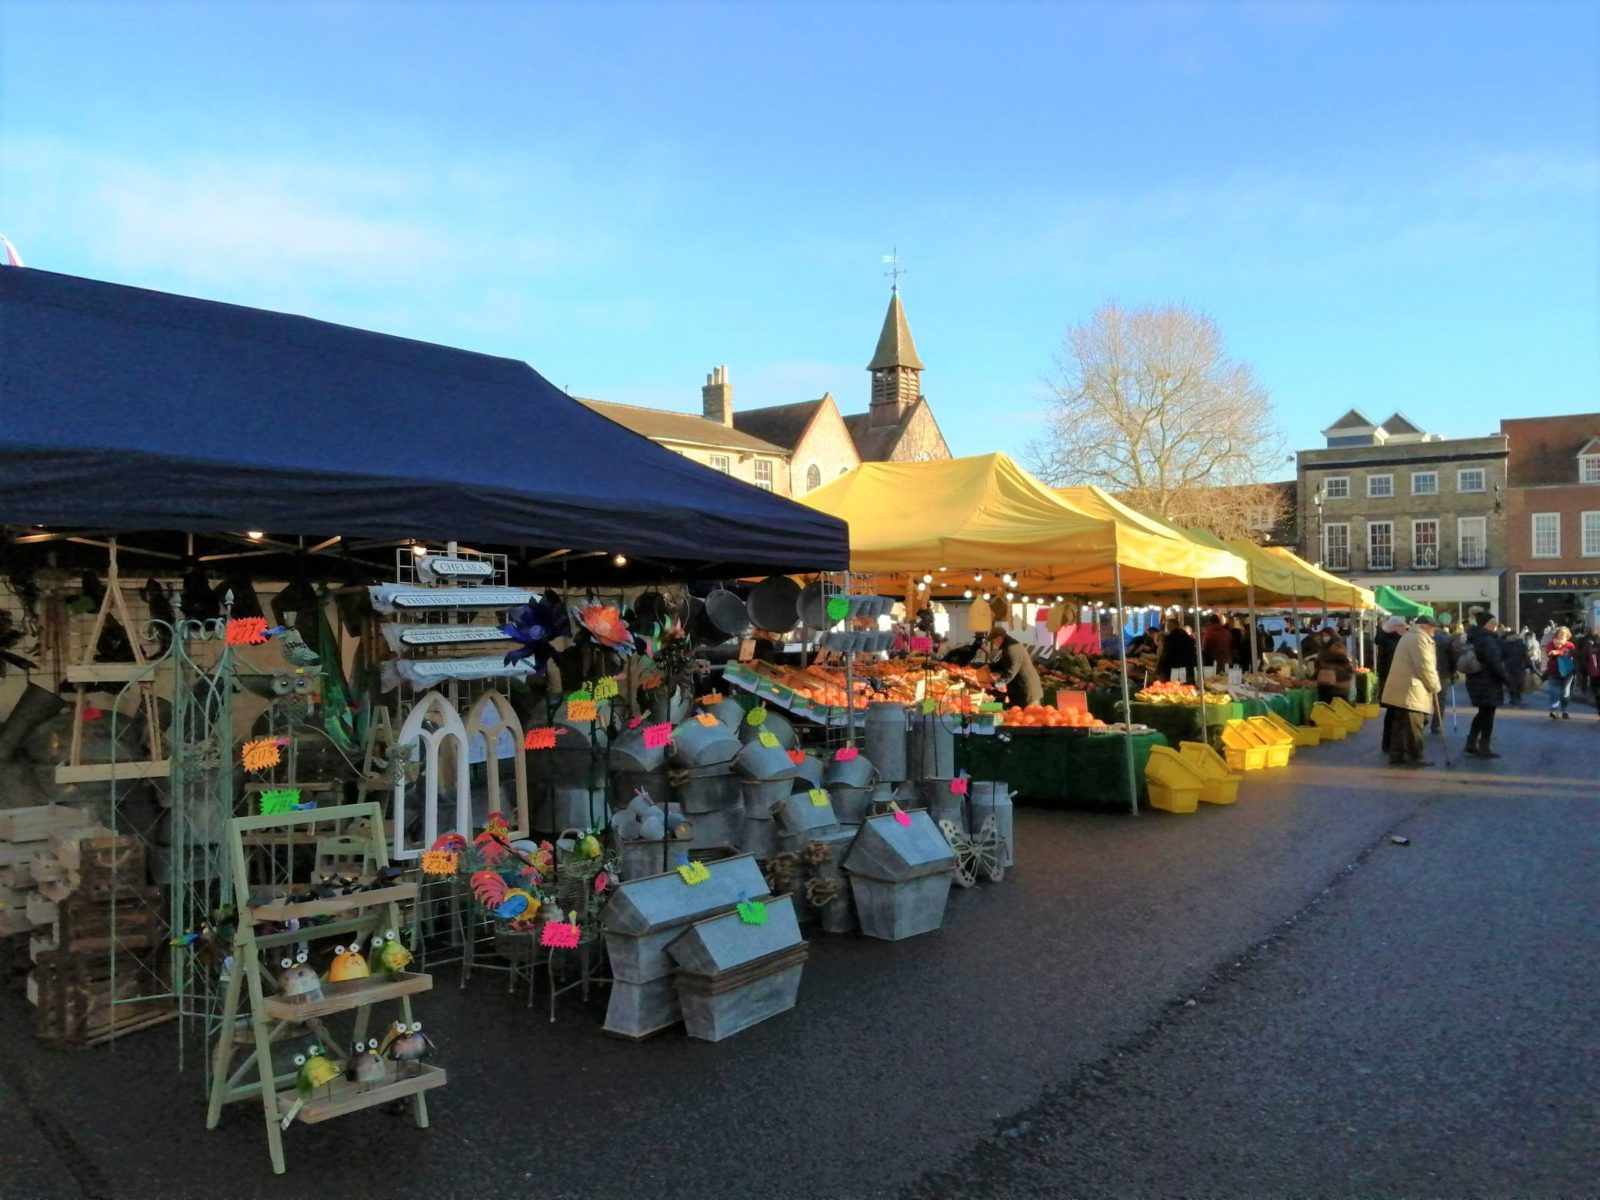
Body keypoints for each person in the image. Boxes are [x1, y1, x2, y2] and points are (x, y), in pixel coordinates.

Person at [1381, 613, 1442, 767]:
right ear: (1425, 628)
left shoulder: (1408, 636)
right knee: (1415, 726)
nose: (1434, 632)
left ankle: (1396, 755)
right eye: (1433, 629)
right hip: (1412, 689)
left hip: (1402, 688)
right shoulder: (1419, 639)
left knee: (1400, 725)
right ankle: (1415, 757)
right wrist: (1435, 686)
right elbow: (1425, 666)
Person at [1463, 612, 1513, 758]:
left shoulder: (1473, 637)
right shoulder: (1488, 640)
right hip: (1488, 681)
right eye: (1494, 623)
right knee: (1488, 714)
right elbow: (1495, 663)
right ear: (1488, 624)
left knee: (1483, 712)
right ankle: (1484, 746)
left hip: (1475, 680)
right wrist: (1508, 680)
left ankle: (1471, 742)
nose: (1496, 626)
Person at [985, 627, 1043, 708]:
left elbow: (1010, 673)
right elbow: (1003, 663)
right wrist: (988, 667)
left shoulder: (1011, 648)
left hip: (1026, 691)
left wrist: (994, 685)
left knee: (1025, 718)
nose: (993, 643)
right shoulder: (1008, 646)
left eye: (993, 641)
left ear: (999, 638)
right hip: (1019, 690)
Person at [1374, 615, 1407, 756]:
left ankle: (1388, 744)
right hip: (1393, 680)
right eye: (1402, 626)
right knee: (1396, 715)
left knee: (1391, 714)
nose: (1405, 629)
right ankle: (1392, 745)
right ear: (1395, 627)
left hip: (1388, 680)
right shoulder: (1393, 642)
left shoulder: (1385, 640)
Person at [1430, 616, 1458, 733]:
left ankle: (1423, 720)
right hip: (1442, 672)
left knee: (1425, 697)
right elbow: (1453, 657)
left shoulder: (1424, 638)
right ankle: (1436, 724)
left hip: (1427, 671)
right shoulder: (1446, 639)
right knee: (1440, 700)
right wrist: (1453, 672)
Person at [1313, 628, 1354, 705]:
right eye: (1323, 636)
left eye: (1326, 636)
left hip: (1334, 686)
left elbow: (1325, 664)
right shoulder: (1326, 648)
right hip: (1333, 686)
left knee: (1333, 709)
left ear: (1332, 636)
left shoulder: (1335, 648)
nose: (1324, 638)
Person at [1544, 625, 1577, 719]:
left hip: (1567, 674)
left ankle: (1564, 710)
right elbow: (1548, 652)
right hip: (1553, 673)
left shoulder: (1570, 645)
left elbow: (1566, 651)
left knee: (1565, 693)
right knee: (1554, 692)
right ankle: (1554, 710)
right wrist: (1552, 652)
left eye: (1561, 639)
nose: (1558, 641)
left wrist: (1557, 652)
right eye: (1556, 638)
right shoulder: (1550, 644)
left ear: (1567, 639)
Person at [1155, 617, 1198, 682]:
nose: (1167, 627)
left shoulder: (1170, 638)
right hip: (1186, 667)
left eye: (1167, 625)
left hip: (1172, 667)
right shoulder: (1187, 638)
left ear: (1171, 626)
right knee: (1182, 686)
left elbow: (1166, 654)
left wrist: (1159, 669)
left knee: (1172, 686)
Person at [1501, 626, 1531, 708]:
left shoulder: (1520, 645)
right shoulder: (1504, 645)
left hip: (1517, 666)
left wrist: (1528, 665)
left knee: (1517, 682)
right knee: (1512, 682)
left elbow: (1526, 656)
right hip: (1512, 667)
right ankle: (1514, 697)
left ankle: (1516, 697)